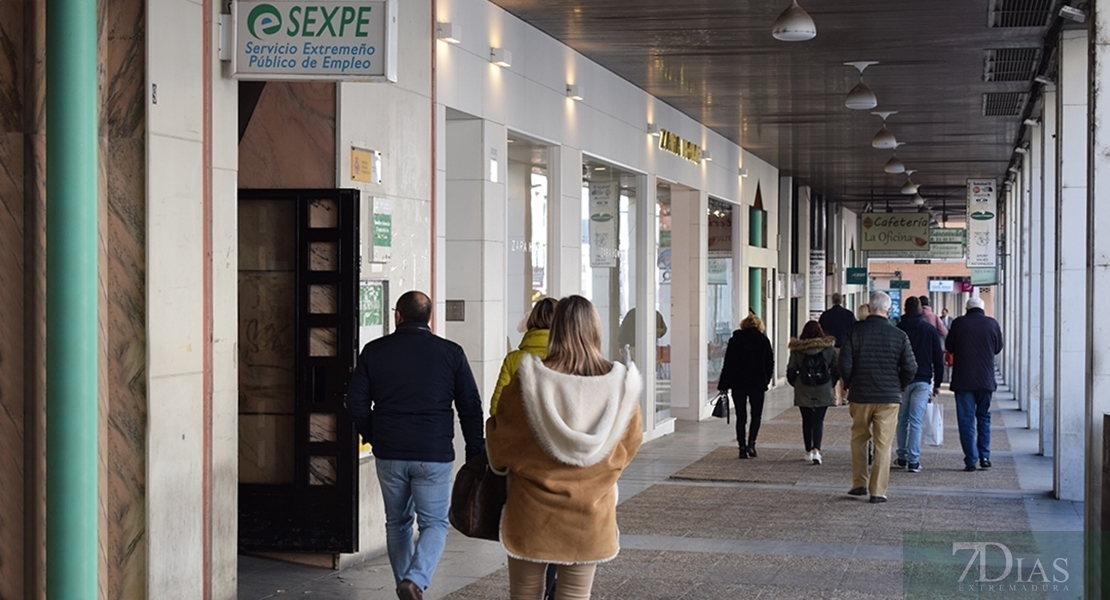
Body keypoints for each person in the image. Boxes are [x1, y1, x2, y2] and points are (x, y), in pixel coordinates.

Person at [486, 295, 643, 600]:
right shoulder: (621, 386)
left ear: (555, 330)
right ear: (595, 330)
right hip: (591, 512)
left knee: (525, 593)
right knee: (574, 594)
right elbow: (629, 446)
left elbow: (500, 444)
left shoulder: (527, 382)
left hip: (531, 513)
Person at [345, 291, 485, 600]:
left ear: (398, 315)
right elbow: (470, 406)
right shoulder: (451, 353)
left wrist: (374, 435)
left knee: (397, 523)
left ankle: (406, 585)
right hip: (433, 453)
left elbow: (355, 403)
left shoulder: (374, 351)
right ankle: (415, 580)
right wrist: (475, 451)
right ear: (429, 318)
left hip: (390, 453)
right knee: (434, 523)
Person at [839, 292, 917, 504]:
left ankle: (859, 483)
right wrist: (899, 384)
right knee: (883, 444)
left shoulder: (854, 332)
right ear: (888, 310)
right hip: (889, 397)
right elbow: (911, 367)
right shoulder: (899, 335)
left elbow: (844, 364)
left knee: (859, 438)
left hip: (861, 395)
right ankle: (877, 491)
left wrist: (850, 382)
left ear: (869, 308)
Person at [945, 296, 1004, 472]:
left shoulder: (959, 323)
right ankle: (984, 456)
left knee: (966, 420)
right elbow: (997, 348)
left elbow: (950, 346)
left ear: (966, 308)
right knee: (984, 417)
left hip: (963, 380)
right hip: (985, 379)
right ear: (983, 308)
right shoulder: (992, 324)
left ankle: (971, 459)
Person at [894, 296, 945, 473]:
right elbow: (938, 359)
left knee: (902, 419)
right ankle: (913, 461)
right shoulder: (929, 330)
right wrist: (938, 383)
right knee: (916, 420)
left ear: (905, 309)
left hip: (901, 381)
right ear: (920, 309)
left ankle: (901, 456)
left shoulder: (898, 329)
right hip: (923, 380)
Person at [718, 312, 775, 459]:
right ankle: (752, 444)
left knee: (741, 416)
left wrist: (724, 383)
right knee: (756, 415)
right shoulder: (763, 341)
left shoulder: (735, 341)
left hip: (739, 383)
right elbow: (769, 363)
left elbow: (728, 364)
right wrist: (765, 380)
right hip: (757, 383)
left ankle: (742, 447)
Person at [491, 297, 559, 415]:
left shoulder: (513, 359)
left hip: (517, 431)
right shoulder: (570, 358)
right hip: (556, 432)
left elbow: (496, 408)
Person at [786, 321, 838, 465]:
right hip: (823, 387)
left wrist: (796, 384)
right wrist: (830, 383)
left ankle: (808, 451)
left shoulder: (797, 349)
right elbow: (836, 368)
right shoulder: (828, 348)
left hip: (803, 387)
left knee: (806, 420)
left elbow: (791, 370)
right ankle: (817, 450)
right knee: (819, 420)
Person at [819, 293, 856, 405]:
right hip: (845, 347)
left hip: (830, 347)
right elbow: (853, 331)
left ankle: (835, 397)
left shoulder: (826, 315)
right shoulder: (849, 315)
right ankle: (844, 398)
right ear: (842, 300)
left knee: (833, 371)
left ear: (832, 301)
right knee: (844, 370)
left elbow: (821, 331)